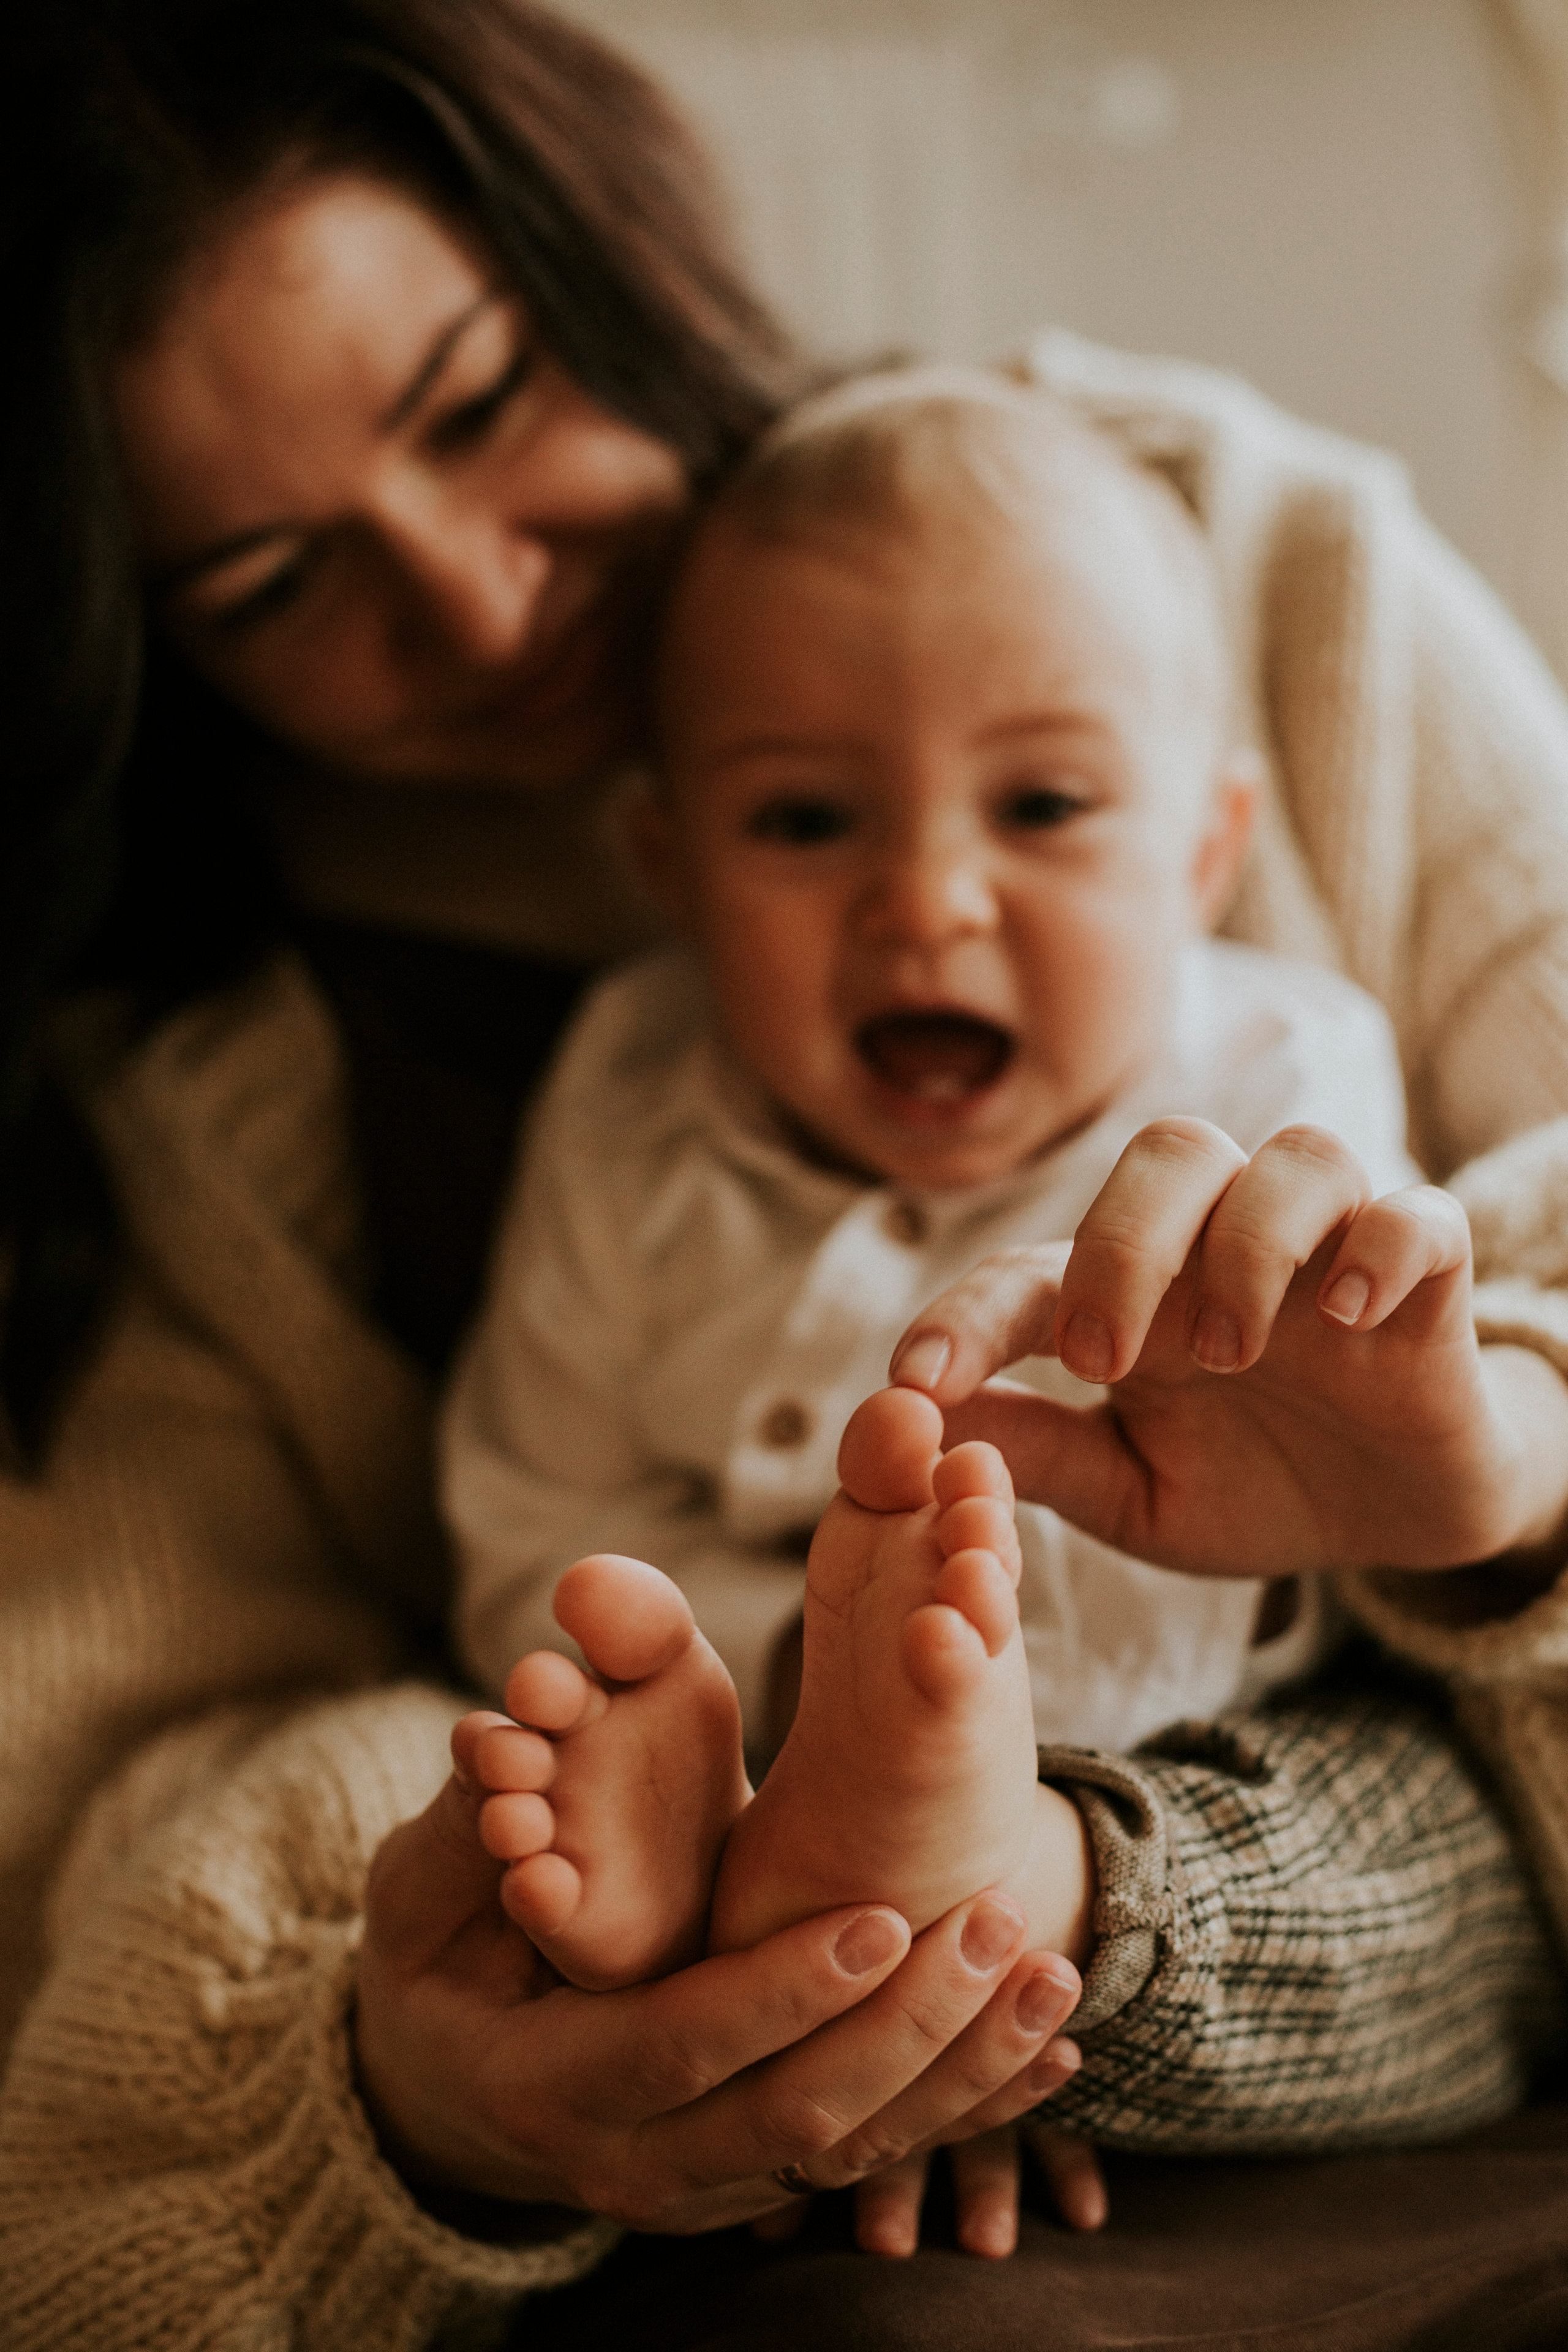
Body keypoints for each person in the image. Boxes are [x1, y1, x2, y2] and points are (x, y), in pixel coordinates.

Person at [2, 0, 1568, 2343]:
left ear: (610, 249)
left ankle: (1001, 1884)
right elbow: (151, 1786)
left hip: (1348, 1778)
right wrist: (470, 2021)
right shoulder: (190, 1084)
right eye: (273, 586)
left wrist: (1507, 1467)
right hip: (713, 1865)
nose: (484, 602)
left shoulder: (1240, 569)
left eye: (480, 404)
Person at [440, 366, 1420, 1996]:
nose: (928, 899)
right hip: (760, 1716)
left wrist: (958, 1733)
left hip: (1172, 1767)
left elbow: (1316, 1521)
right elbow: (532, 1499)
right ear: (669, 867)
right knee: (573, 1693)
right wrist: (757, 1685)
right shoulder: (630, 1100)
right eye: (805, 819)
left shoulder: (1279, 1091)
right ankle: (728, 1872)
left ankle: (904, 1884)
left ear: (1204, 853)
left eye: (1042, 804)